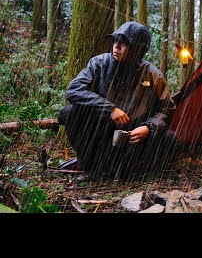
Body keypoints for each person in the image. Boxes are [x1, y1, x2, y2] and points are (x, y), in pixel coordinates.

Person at [58, 21, 180, 181]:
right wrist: (109, 109)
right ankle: (91, 169)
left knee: (170, 139)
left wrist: (148, 127)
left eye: (123, 43)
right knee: (70, 113)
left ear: (137, 50)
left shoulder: (153, 75)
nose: (116, 46)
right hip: (101, 133)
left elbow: (167, 108)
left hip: (133, 136)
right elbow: (74, 90)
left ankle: (137, 171)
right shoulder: (98, 64)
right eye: (115, 41)